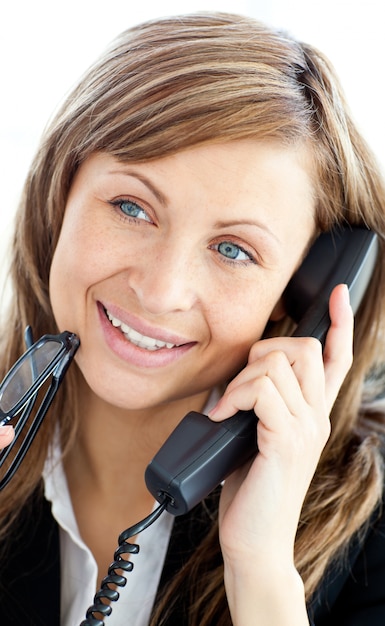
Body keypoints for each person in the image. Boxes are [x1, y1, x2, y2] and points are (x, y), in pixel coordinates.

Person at [0, 10, 385, 626]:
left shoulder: (372, 541)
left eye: (233, 249)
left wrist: (261, 573)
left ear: (308, 290)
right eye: (131, 206)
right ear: (59, 196)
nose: (160, 292)